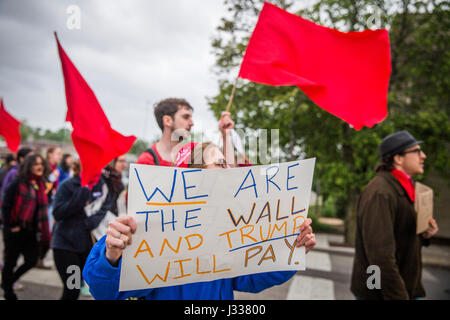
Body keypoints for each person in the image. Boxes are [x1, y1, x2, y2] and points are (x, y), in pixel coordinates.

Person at [82, 140, 317, 300]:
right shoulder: (142, 224)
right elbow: (104, 291)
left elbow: (252, 279)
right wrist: (111, 257)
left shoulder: (231, 227)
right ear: (193, 174)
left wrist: (291, 250)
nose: (231, 170)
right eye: (221, 164)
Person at [351, 130, 439, 300]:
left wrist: (425, 234)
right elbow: (380, 256)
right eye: (417, 151)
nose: (424, 156)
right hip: (382, 295)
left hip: (406, 288)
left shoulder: (404, 187)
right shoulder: (380, 192)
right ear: (398, 158)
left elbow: (401, 236)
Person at [51, 160, 112, 300]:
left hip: (87, 247)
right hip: (66, 246)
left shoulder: (102, 186)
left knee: (85, 287)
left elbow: (104, 207)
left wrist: (90, 222)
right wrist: (83, 192)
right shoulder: (67, 185)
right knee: (72, 289)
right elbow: (58, 212)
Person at [1, 154, 51, 300]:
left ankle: (7, 282)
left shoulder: (40, 184)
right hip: (15, 230)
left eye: (41, 163)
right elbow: (6, 206)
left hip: (31, 231)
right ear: (28, 166)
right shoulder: (18, 183)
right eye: (35, 164)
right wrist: (12, 226)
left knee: (32, 260)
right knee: (10, 262)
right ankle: (9, 292)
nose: (39, 166)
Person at [137, 97, 234, 167]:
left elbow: (228, 176)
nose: (192, 123)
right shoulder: (147, 161)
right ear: (167, 120)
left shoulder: (191, 155)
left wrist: (225, 135)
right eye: (186, 117)